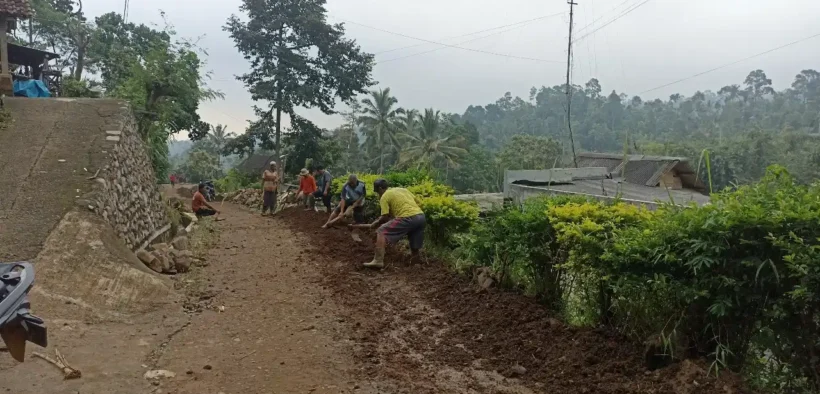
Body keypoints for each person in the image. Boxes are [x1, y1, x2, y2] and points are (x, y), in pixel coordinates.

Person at [358, 179, 426, 269]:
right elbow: (418, 203)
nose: (379, 195)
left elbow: (385, 217)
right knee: (414, 234)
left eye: (378, 192)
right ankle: (416, 261)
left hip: (407, 217)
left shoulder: (384, 196)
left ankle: (378, 261)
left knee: (381, 231)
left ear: (380, 188)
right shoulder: (402, 190)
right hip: (420, 217)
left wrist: (374, 224)